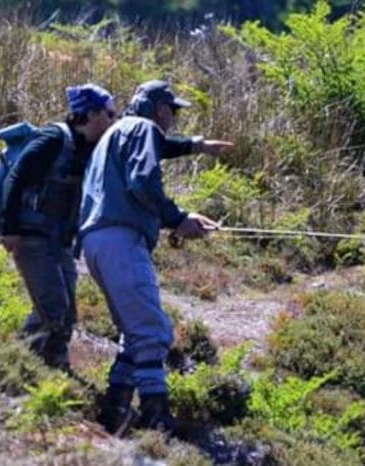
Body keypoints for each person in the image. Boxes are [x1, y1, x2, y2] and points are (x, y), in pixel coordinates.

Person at [80, 80, 227, 436]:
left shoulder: (115, 133)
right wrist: (178, 218)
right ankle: (155, 417)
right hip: (120, 241)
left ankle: (114, 408)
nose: (174, 119)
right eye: (174, 112)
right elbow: (143, 184)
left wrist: (171, 221)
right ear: (162, 110)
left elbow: (128, 191)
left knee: (135, 332)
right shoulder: (144, 128)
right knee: (153, 331)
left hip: (95, 241)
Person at [0, 83, 117, 370]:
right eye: (110, 114)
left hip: (61, 240)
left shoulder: (92, 147)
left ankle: (55, 366)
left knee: (66, 313)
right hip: (31, 236)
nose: (115, 120)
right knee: (52, 304)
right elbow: (15, 179)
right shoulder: (52, 139)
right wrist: (9, 228)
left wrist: (195, 146)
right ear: (90, 114)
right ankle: (16, 364)